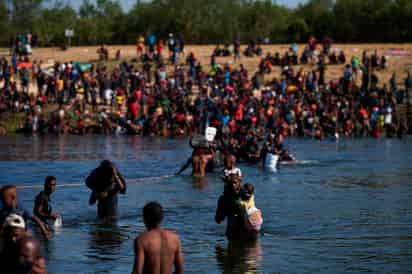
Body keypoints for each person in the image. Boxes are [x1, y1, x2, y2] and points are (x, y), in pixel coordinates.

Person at [132, 202, 183, 274]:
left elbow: (137, 272)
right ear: (162, 218)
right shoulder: (175, 238)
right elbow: (180, 271)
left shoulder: (141, 240)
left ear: (144, 218)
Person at [215, 174, 243, 240]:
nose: (232, 185)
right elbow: (218, 219)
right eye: (230, 183)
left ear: (239, 183)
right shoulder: (223, 199)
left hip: (235, 230)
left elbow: (218, 219)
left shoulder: (223, 199)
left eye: (234, 183)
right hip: (235, 231)